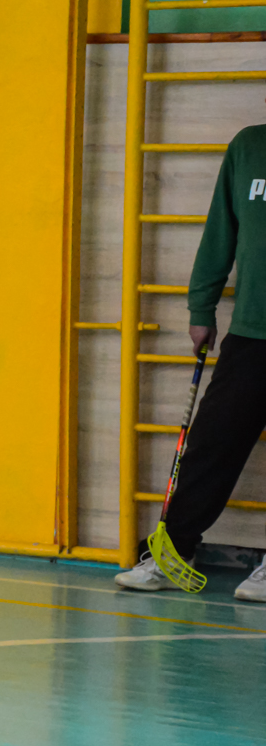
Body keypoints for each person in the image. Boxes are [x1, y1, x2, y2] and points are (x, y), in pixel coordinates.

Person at [116, 123, 266, 602]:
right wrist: (202, 307)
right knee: (210, 445)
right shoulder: (249, 146)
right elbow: (222, 230)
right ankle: (173, 554)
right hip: (252, 332)